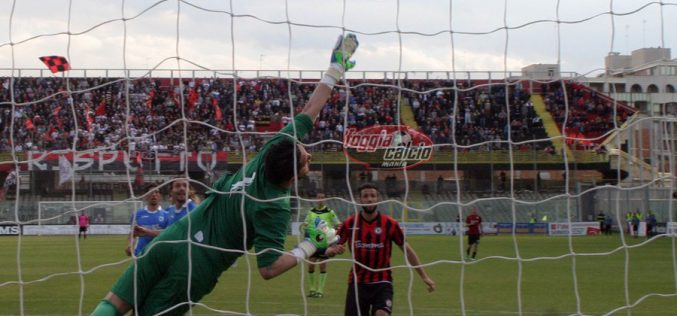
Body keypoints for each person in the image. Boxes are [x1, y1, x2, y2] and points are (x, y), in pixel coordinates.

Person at [91, 33, 359, 316]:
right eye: (307, 158)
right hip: (198, 265)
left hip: (171, 239)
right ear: (292, 178)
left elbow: (310, 109)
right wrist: (309, 245)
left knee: (113, 304)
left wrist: (334, 71)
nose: (310, 153)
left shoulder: (272, 148)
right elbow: (269, 269)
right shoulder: (276, 205)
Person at [335, 183, 435, 316]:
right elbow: (332, 247)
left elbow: (407, 250)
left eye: (373, 196)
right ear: (360, 200)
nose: (369, 199)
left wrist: (424, 276)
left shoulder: (390, 224)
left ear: (378, 199)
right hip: (358, 282)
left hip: (382, 281)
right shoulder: (349, 223)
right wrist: (335, 249)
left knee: (382, 314)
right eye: (365, 196)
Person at [301, 192, 341, 298]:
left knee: (322, 266)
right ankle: (312, 289)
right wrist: (306, 230)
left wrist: (332, 237)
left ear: (325, 199)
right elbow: (305, 225)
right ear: (316, 199)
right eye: (318, 197)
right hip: (313, 243)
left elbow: (338, 225)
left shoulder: (329, 212)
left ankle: (320, 291)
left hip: (324, 244)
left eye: (322, 198)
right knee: (311, 265)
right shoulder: (311, 212)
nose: (320, 199)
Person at [125, 184, 167, 257]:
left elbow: (168, 235)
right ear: (146, 196)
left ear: (160, 196)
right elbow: (132, 234)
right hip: (140, 254)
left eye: (156, 192)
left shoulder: (167, 215)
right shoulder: (137, 214)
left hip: (159, 255)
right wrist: (129, 246)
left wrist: (147, 232)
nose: (154, 194)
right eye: (151, 192)